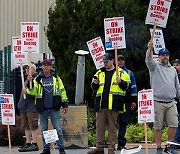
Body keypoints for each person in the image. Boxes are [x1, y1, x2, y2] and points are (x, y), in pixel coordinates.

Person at [87, 53, 130, 154]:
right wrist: (94, 84)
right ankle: (99, 148)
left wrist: (121, 82)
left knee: (112, 128)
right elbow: (93, 87)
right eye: (104, 62)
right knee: (99, 127)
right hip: (101, 104)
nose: (105, 64)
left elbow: (128, 86)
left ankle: (111, 149)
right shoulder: (99, 73)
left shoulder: (122, 73)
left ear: (112, 61)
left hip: (114, 105)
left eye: (107, 62)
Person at [23, 59, 68, 154]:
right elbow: (33, 91)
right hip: (42, 108)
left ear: (51, 66)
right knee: (44, 130)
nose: (46, 67)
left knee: (58, 129)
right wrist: (28, 88)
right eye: (44, 65)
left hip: (54, 107)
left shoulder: (56, 78)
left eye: (48, 65)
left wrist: (65, 104)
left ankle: (61, 147)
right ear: (42, 67)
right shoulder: (38, 79)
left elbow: (62, 91)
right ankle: (46, 148)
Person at [145, 47, 180, 154]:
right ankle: (159, 147)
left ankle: (169, 146)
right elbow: (148, 59)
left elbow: (177, 86)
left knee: (174, 124)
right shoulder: (154, 67)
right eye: (163, 55)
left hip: (171, 101)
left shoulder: (173, 70)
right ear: (159, 57)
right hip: (157, 101)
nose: (165, 56)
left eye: (167, 55)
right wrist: (149, 49)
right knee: (158, 126)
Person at [117, 54, 138, 150]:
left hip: (126, 101)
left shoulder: (129, 73)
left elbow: (133, 87)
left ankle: (121, 144)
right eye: (119, 60)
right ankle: (111, 143)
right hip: (113, 101)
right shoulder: (112, 72)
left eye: (122, 60)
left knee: (123, 123)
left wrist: (134, 101)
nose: (120, 62)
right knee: (112, 123)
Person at [17, 63, 39, 152]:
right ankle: (28, 142)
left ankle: (34, 143)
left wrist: (29, 89)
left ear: (34, 69)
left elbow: (35, 91)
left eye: (29, 68)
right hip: (24, 106)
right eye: (26, 68)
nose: (27, 70)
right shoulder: (26, 80)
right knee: (25, 125)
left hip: (31, 106)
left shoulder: (36, 79)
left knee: (33, 124)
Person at [172, 59, 180, 148]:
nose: (175, 67)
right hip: (175, 102)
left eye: (177, 65)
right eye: (173, 65)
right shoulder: (170, 76)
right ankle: (176, 142)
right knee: (176, 123)